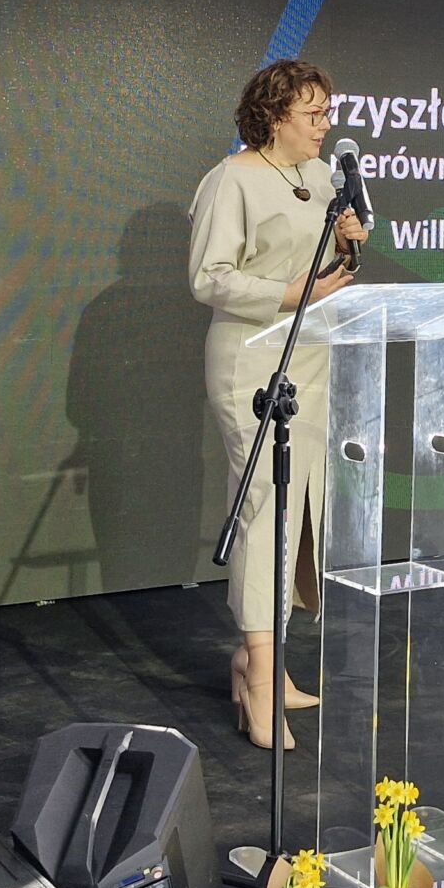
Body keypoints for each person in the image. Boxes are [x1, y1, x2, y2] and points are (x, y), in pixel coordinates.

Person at [189, 59, 367, 750]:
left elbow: (324, 272)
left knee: (295, 514)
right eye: (313, 114)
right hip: (253, 360)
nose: (326, 125)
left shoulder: (322, 178)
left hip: (311, 357)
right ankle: (259, 678)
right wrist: (291, 294)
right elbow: (208, 278)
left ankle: (264, 661)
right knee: (263, 508)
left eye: (327, 113)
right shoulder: (230, 179)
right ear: (272, 116)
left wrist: (346, 249)